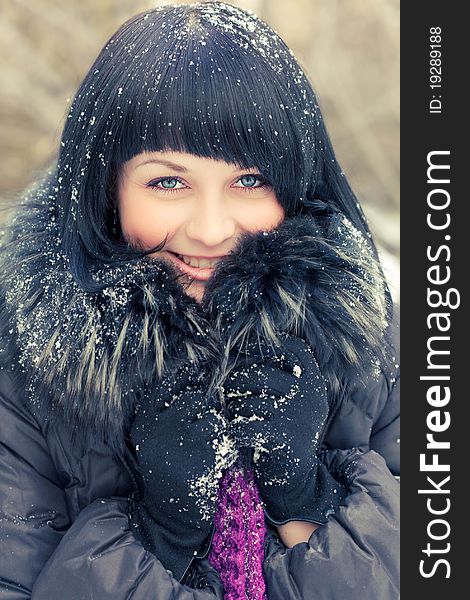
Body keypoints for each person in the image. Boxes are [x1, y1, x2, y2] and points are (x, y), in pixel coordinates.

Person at [0, 2, 400, 599]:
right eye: (168, 182)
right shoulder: (24, 363)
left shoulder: (366, 339)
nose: (212, 230)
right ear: (105, 188)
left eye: (248, 181)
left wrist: (306, 507)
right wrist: (157, 538)